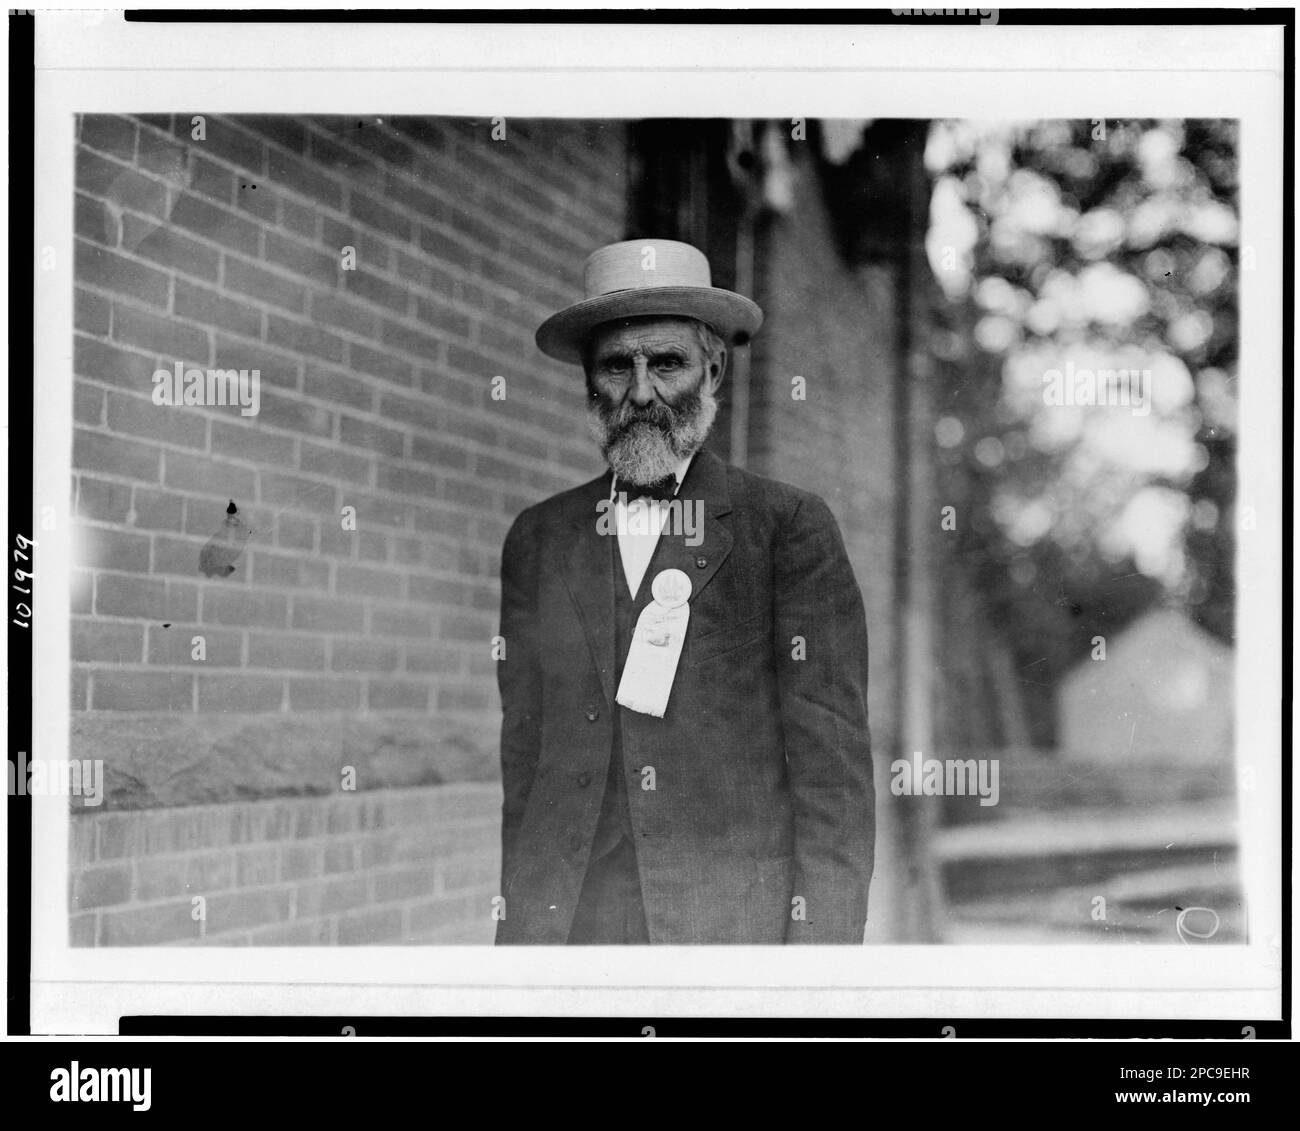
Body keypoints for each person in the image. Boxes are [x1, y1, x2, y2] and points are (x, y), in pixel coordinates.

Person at [495, 238, 874, 944]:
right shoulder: (538, 538)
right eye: (617, 365)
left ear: (714, 368)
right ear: (589, 379)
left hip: (726, 931)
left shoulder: (786, 528)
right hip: (569, 931)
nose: (641, 393)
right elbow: (524, 762)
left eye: (666, 362)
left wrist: (818, 969)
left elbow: (835, 778)